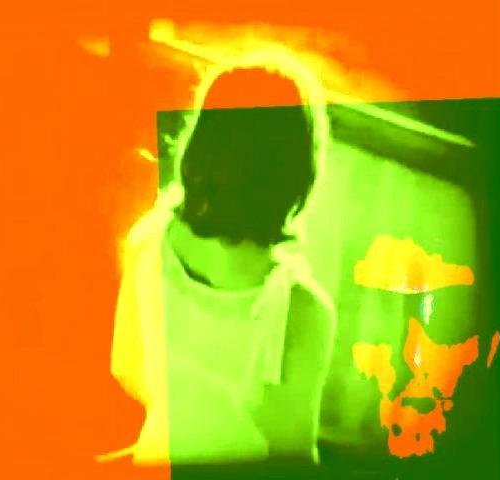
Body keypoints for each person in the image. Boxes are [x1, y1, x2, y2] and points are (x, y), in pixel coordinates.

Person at [103, 51, 337, 468]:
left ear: (203, 141)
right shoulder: (303, 309)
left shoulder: (148, 239)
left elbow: (125, 365)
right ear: (297, 167)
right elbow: (293, 457)